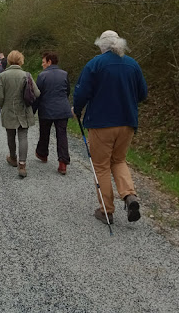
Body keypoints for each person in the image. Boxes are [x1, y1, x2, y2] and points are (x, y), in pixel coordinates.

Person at [72, 30, 148, 224]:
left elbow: (82, 93)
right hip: (127, 122)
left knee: (101, 166)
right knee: (119, 160)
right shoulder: (133, 65)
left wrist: (77, 110)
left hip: (101, 123)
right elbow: (142, 93)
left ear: (102, 47)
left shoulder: (95, 64)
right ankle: (129, 195)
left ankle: (107, 210)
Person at [0, 50, 40, 178]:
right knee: (23, 136)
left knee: (10, 135)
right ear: (21, 60)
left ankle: (13, 158)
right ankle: (22, 164)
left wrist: (2, 107)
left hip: (9, 109)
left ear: (9, 60)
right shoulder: (26, 75)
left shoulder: (3, 76)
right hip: (23, 111)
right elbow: (37, 93)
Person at [34, 51, 73, 175]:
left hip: (46, 109)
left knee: (44, 133)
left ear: (49, 62)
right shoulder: (64, 74)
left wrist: (33, 110)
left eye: (44, 62)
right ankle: (63, 162)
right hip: (62, 108)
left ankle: (42, 154)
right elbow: (67, 91)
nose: (42, 65)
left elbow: (37, 94)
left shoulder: (42, 76)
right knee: (62, 135)